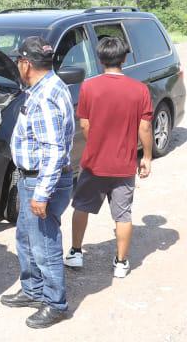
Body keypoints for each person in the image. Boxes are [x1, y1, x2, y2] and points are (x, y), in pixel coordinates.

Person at [0, 35, 76, 328]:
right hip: (32, 179)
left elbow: (54, 150)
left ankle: (55, 303)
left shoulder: (44, 97)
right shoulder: (50, 86)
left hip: (42, 181)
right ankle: (33, 290)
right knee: (27, 238)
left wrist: (42, 194)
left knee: (44, 243)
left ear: (26, 63)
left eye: (18, 61)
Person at [65, 35, 154, 279]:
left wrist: (98, 143)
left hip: (94, 162)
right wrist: (146, 157)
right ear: (124, 58)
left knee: (81, 206)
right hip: (124, 165)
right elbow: (144, 128)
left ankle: (75, 252)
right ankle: (121, 263)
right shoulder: (139, 90)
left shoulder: (89, 87)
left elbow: (85, 125)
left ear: (100, 58)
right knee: (123, 215)